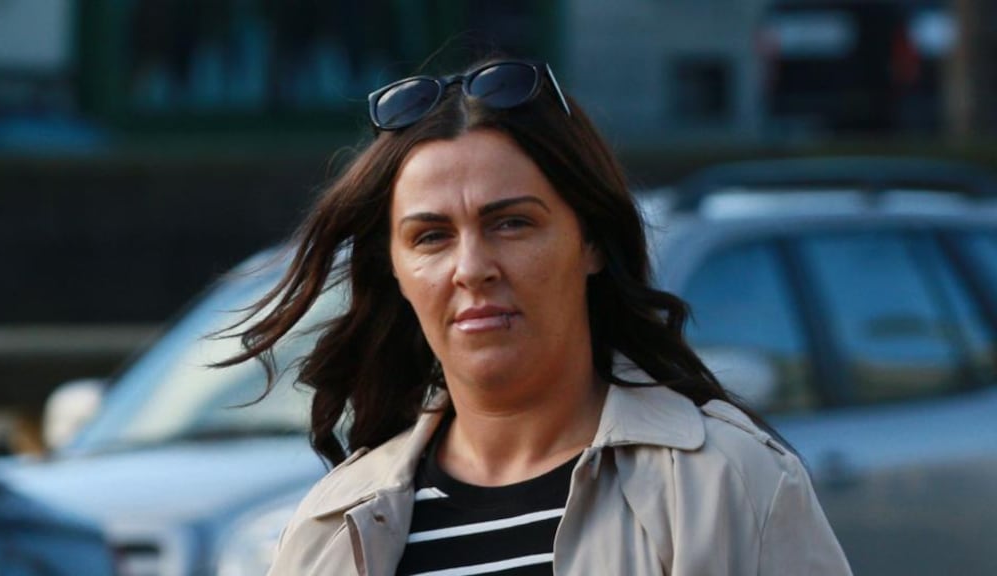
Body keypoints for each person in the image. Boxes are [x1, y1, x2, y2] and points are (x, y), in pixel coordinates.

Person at [221, 57, 852, 575]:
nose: (473, 267)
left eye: (512, 223)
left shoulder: (727, 483)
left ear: (593, 242)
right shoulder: (333, 528)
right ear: (396, 272)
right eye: (431, 237)